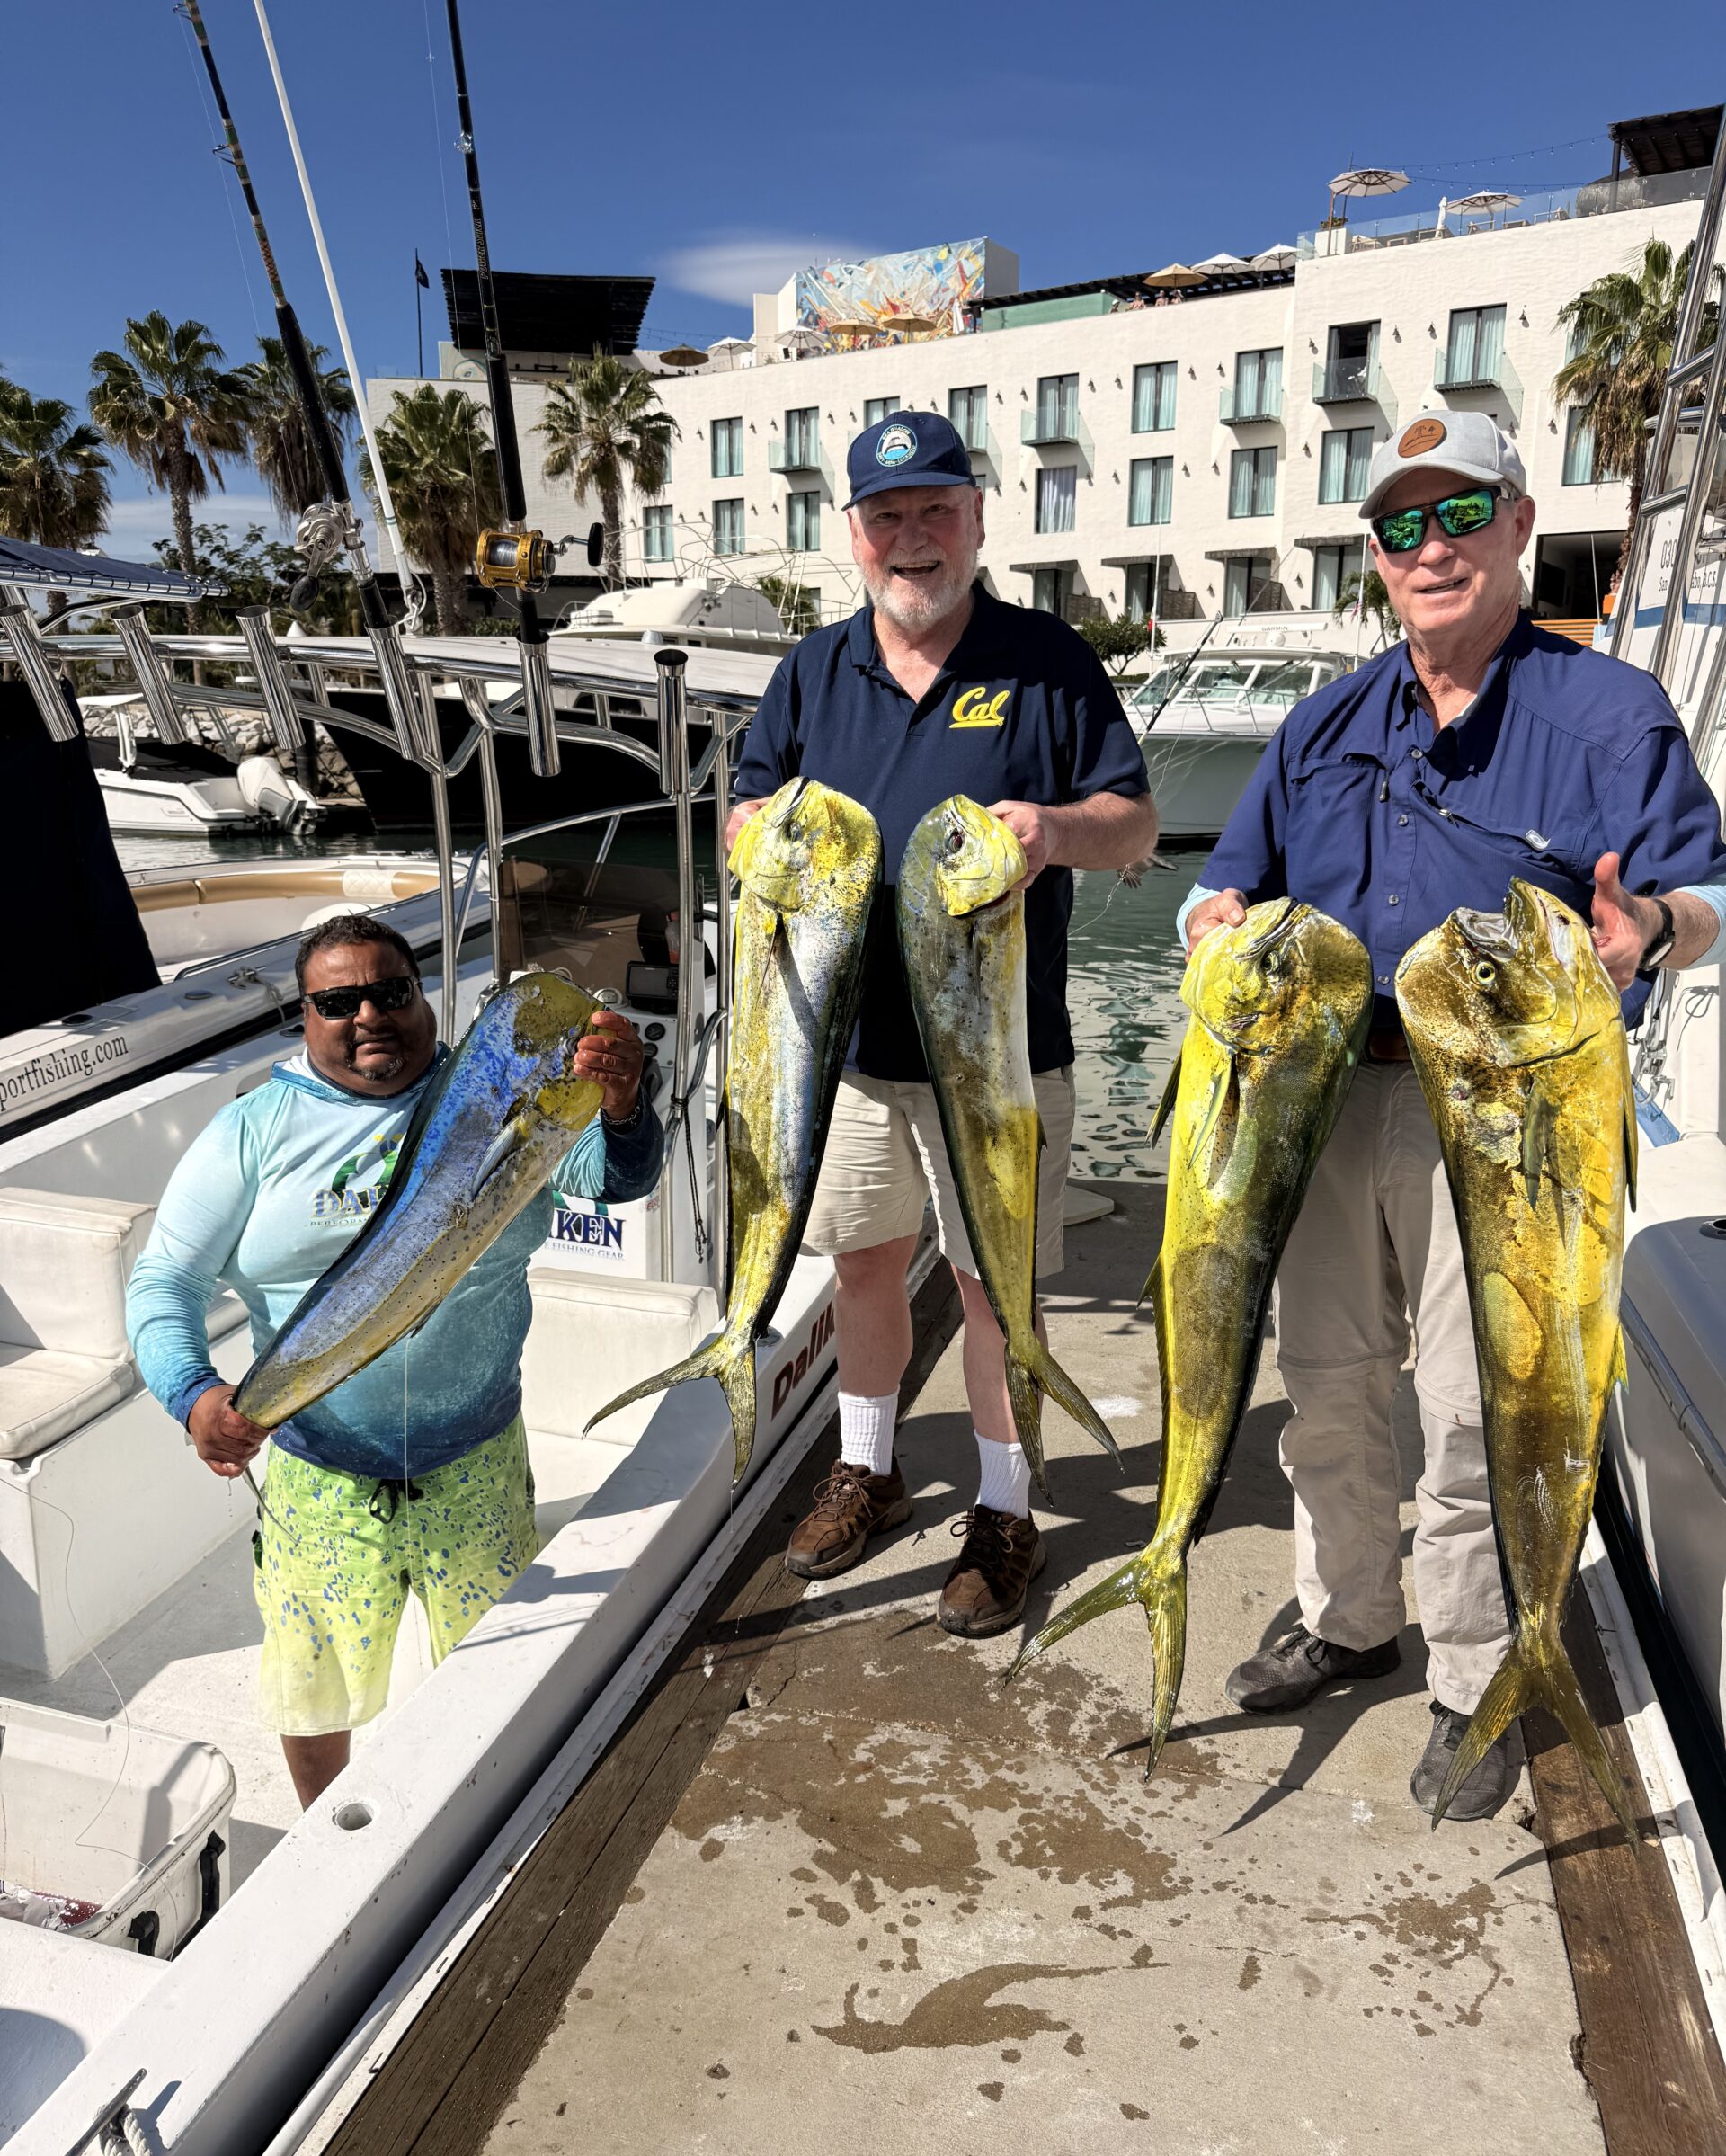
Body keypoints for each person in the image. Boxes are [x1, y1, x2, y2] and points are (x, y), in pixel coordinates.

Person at [1179, 409, 1726, 1818]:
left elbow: (1712, 896)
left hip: (1509, 1118)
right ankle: (1349, 1612)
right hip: (1320, 1098)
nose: (1434, 550)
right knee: (1327, 1374)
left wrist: (1648, 928)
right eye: (1402, 527)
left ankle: (1482, 1668)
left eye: (1461, 515)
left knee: (1481, 1407)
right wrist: (1212, 921)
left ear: (1520, 525)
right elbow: (1217, 884)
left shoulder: (1608, 715)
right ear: (1375, 557)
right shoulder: (1323, 720)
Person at [727, 410, 1157, 1635]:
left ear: (977, 518)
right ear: (854, 537)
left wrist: (1055, 835)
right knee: (860, 1265)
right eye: (886, 517)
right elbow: (744, 810)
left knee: (991, 1289)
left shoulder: (1048, 660)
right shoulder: (813, 668)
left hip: (999, 1058)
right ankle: (868, 1466)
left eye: (934, 510)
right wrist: (750, 836)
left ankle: (1007, 1506)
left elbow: (1133, 825)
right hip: (842, 1056)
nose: (912, 537)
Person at [127, 913, 664, 1808]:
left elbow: (614, 1178)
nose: (367, 1013)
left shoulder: (499, 1088)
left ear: (423, 998)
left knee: (497, 1669)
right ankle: (322, 1836)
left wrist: (623, 1105)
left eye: (391, 991)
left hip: (477, 1462)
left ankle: (494, 1811)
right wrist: (194, 1395)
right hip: (319, 1477)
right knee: (312, 1686)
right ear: (304, 1016)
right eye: (338, 1000)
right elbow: (163, 1284)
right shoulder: (250, 1133)